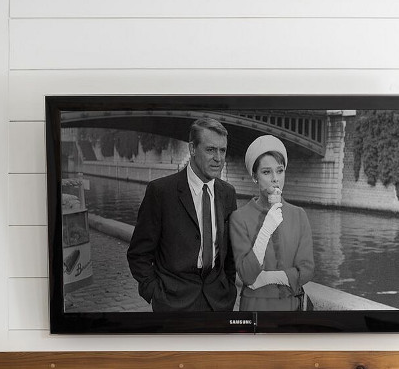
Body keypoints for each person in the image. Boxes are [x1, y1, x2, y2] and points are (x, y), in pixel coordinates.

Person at [127, 118, 238, 312]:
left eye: (223, 150)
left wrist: (228, 288)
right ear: (192, 149)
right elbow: (138, 254)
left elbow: (229, 255)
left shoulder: (228, 193)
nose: (219, 158)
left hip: (218, 303)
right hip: (173, 304)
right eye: (211, 149)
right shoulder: (161, 192)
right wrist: (154, 292)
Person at [229, 134, 314, 311]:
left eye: (280, 170)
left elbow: (306, 270)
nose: (275, 178)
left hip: (291, 308)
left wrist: (267, 278)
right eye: (267, 172)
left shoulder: (299, 215)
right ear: (254, 177)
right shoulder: (239, 218)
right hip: (255, 308)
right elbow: (246, 275)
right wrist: (266, 228)